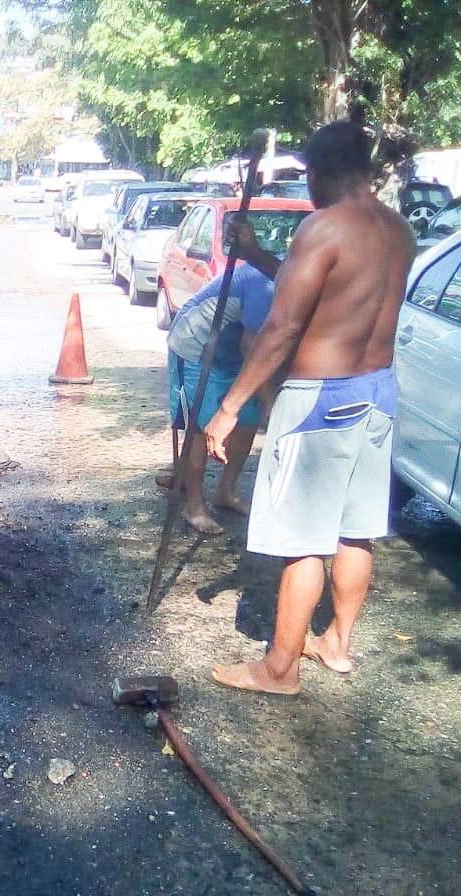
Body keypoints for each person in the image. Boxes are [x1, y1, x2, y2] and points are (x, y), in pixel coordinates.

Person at [204, 120, 415, 695]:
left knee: (303, 538)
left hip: (322, 398)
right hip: (377, 391)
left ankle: (280, 669)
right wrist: (256, 254)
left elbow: (283, 326)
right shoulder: (398, 230)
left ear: (320, 174)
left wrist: (230, 406)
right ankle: (337, 645)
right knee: (356, 530)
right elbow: (333, 293)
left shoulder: (322, 228)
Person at [165, 256, 277, 534]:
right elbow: (251, 346)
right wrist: (268, 398)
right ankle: (194, 506)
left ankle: (225, 492)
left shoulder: (293, 281)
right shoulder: (265, 283)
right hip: (195, 347)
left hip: (230, 354)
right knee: (202, 428)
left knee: (248, 419)